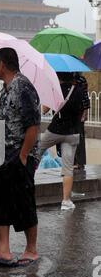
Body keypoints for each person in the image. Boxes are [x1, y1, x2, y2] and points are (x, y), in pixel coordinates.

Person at [0, 48, 41, 268]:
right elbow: (10, 117)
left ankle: (31, 249)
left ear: (1, 64)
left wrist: (23, 156)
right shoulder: (7, 88)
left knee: (23, 201)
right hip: (0, 153)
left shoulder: (23, 86)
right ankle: (3, 250)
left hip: (18, 155)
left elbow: (33, 125)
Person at [41, 72, 85, 211]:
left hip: (55, 130)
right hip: (72, 133)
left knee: (34, 152)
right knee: (67, 168)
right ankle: (66, 201)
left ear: (58, 76)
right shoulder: (79, 90)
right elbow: (82, 113)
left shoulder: (56, 89)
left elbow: (44, 110)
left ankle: (24, 185)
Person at [73, 73, 90, 170]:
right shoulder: (61, 77)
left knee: (79, 136)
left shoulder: (81, 79)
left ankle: (80, 162)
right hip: (68, 111)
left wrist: (85, 112)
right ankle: (73, 161)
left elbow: (85, 97)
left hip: (78, 111)